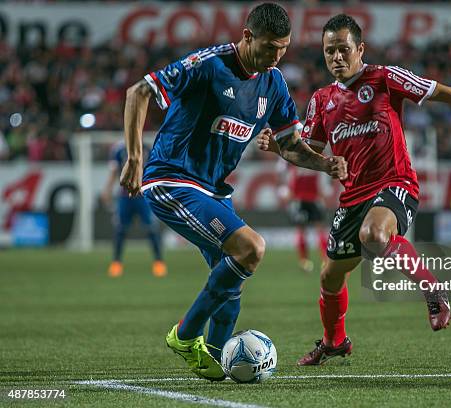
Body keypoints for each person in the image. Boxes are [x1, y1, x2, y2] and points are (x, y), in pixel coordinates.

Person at [257, 14, 451, 366]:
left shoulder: (384, 78)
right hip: (353, 196)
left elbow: (441, 92)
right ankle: (334, 342)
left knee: (374, 233)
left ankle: (433, 288)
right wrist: (277, 146)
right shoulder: (322, 100)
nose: (336, 57)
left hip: (394, 183)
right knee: (330, 275)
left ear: (360, 49)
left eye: (343, 49)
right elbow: (308, 151)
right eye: (329, 51)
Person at [119, 3, 347, 381]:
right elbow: (137, 92)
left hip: (212, 190)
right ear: (246, 37)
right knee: (251, 248)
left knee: (233, 281)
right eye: (270, 47)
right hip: (172, 179)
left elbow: (289, 144)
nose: (276, 57)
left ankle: (212, 359)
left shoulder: (272, 83)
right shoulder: (209, 64)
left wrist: (325, 163)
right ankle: (186, 335)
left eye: (284, 48)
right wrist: (133, 157)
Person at [102, 140, 166, 278]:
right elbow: (114, 172)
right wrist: (107, 189)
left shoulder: (148, 148)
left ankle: (159, 263)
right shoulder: (119, 149)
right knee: (120, 230)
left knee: (151, 229)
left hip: (144, 196)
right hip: (125, 196)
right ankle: (116, 263)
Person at [277, 159, 329, 272]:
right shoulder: (318, 155)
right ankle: (325, 260)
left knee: (302, 230)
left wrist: (285, 190)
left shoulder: (293, 155)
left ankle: (304, 262)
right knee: (318, 229)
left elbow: (282, 170)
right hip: (311, 197)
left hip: (300, 198)